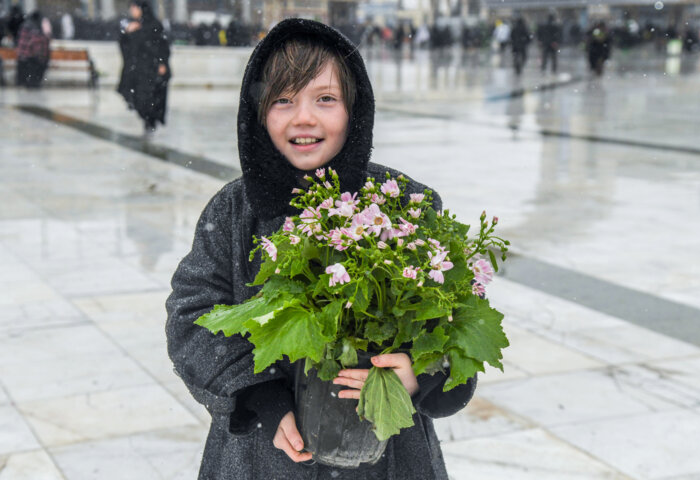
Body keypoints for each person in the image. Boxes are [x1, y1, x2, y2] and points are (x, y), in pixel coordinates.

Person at [165, 18, 476, 480]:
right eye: (283, 101)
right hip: (261, 459)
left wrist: (421, 375)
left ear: (354, 109)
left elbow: (459, 324)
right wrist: (261, 398)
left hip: (388, 459)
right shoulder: (234, 211)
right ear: (258, 114)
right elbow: (193, 316)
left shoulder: (404, 202)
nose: (303, 118)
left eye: (325, 99)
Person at [117, 0, 171, 134]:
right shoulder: (134, 25)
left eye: (134, 8)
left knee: (150, 97)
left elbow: (162, 46)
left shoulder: (153, 25)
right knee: (139, 98)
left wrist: (162, 62)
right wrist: (127, 32)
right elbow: (126, 47)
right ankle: (148, 120)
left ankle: (150, 121)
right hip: (138, 70)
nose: (132, 11)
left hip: (151, 69)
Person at [16, 11, 49, 88]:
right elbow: (34, 41)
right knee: (32, 71)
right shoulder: (34, 26)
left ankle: (24, 83)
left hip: (23, 53)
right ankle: (32, 84)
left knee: (25, 71)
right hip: (30, 54)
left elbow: (21, 39)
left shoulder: (25, 25)